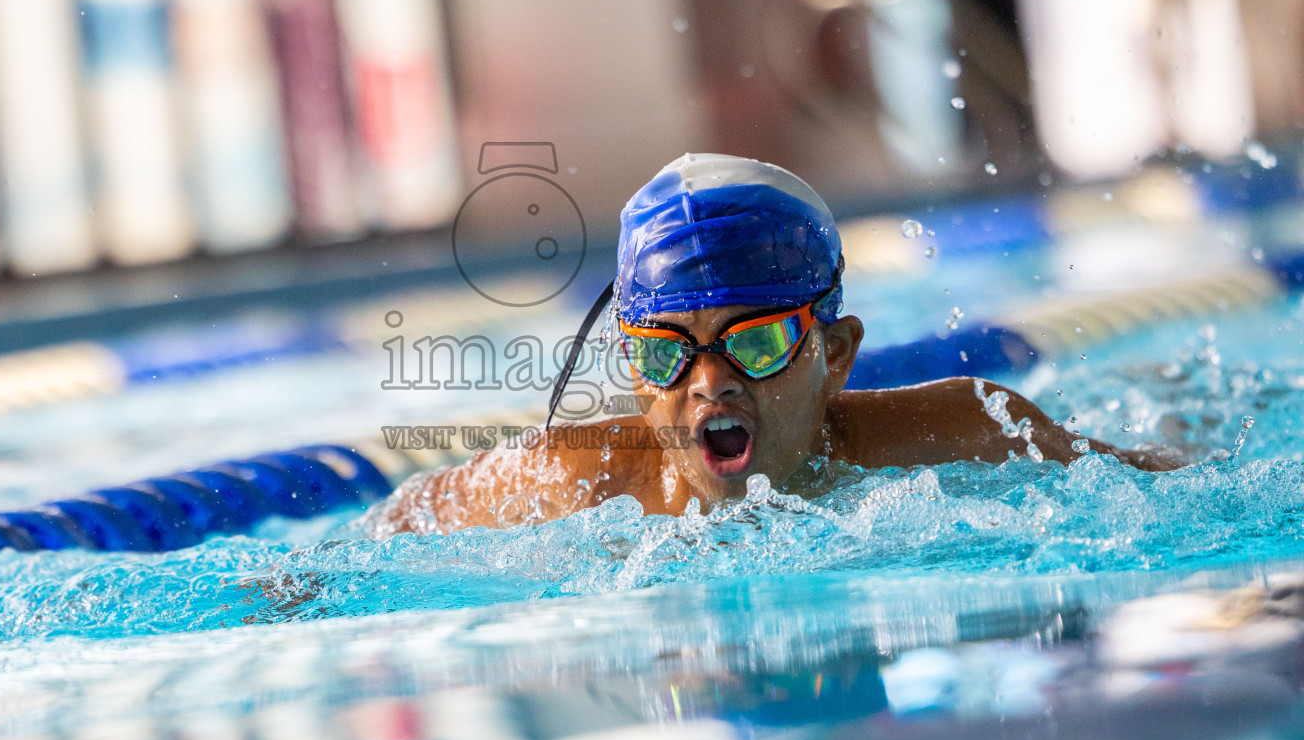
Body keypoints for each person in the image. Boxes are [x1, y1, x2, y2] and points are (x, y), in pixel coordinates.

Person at [366, 153, 1179, 537]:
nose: (709, 382)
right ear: (632, 370)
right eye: (665, 352)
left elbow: (1177, 492)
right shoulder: (566, 476)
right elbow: (391, 529)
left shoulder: (966, 430)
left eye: (753, 343)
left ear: (839, 357)